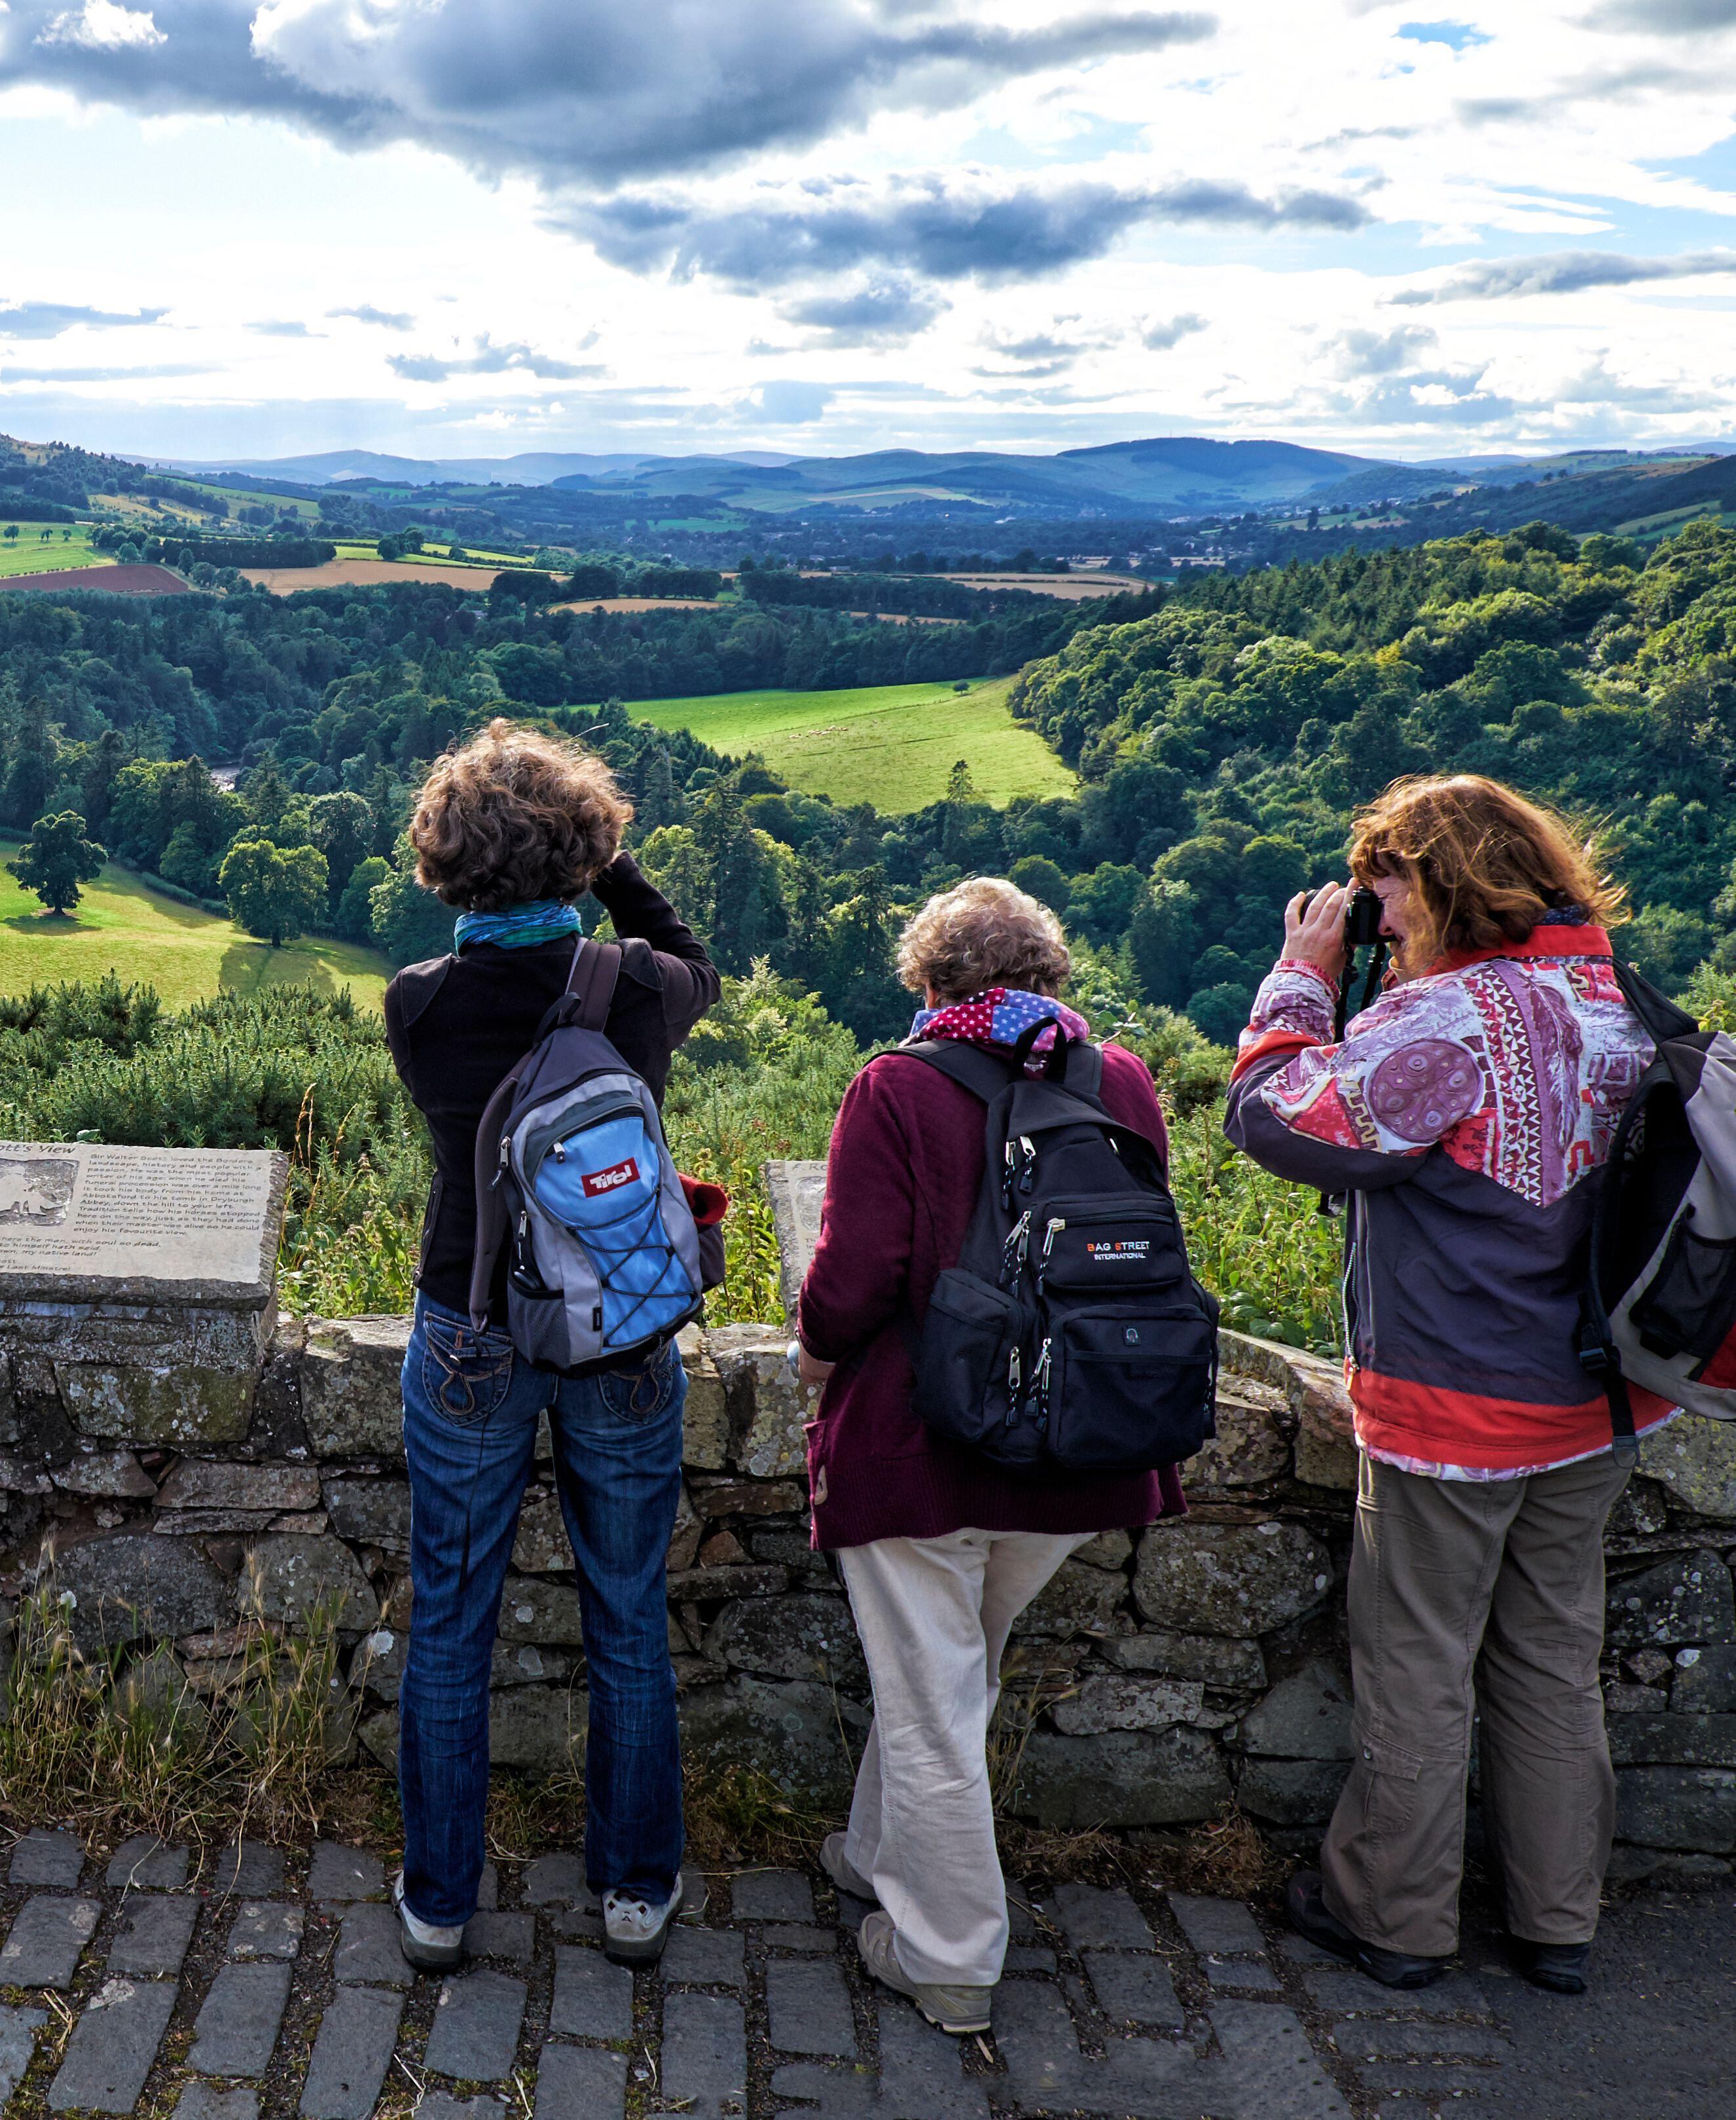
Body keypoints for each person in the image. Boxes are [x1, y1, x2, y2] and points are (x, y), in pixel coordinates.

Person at [1227, 774, 1657, 1998]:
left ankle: (1397, 1920)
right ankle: (1557, 1921)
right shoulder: (1616, 998)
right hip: (1600, 1403)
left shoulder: (1451, 1025)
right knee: (1550, 1660)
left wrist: (1304, 978)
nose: (1370, 904)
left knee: (1419, 1662)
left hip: (1455, 1411)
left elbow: (1274, 1118)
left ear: (1445, 881)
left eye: (1385, 880)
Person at [791, 878, 1184, 2034]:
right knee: (951, 1681)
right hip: (1080, 1439)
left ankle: (949, 1958)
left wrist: (814, 1361)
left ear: (929, 983)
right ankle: (875, 1855)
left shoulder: (898, 1086)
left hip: (928, 1440)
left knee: (931, 1707)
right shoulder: (1117, 1078)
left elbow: (856, 1272)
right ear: (1052, 977)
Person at [380, 722, 721, 1971]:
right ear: (582, 851)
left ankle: (439, 1899)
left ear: (446, 863)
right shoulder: (633, 989)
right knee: (627, 1611)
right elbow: (697, 963)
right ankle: (634, 1892)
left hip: (470, 1318)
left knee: (451, 1617)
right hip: (619, 1327)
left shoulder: (420, 1006)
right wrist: (611, 869)